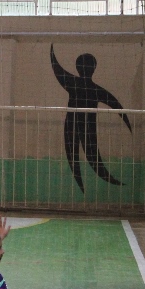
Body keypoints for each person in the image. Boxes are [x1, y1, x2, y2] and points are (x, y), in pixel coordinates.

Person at [50, 44, 132, 192]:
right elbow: (116, 105)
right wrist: (126, 122)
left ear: (78, 67)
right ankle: (84, 184)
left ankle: (82, 185)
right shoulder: (94, 88)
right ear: (94, 68)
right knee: (88, 156)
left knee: (78, 155)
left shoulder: (72, 82)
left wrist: (126, 120)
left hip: (76, 124)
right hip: (85, 125)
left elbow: (57, 68)